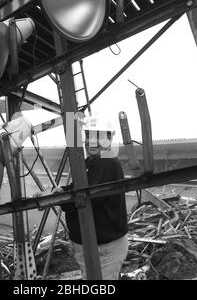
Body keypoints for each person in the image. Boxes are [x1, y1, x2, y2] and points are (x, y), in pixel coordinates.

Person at [38, 114, 128, 280]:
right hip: (90, 245)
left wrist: (56, 199)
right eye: (88, 136)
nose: (91, 142)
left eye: (98, 137)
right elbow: (77, 188)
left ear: (109, 138)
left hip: (104, 248)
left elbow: (86, 199)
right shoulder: (91, 162)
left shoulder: (107, 162)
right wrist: (59, 191)